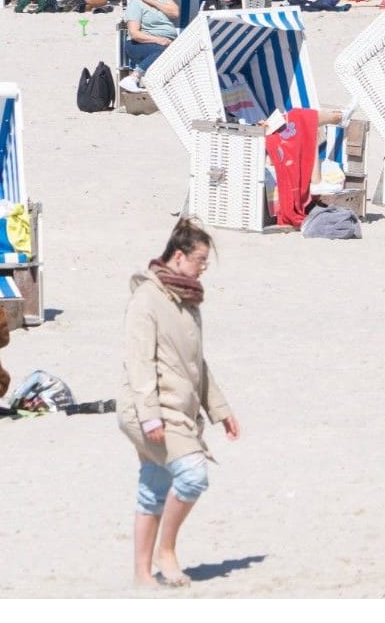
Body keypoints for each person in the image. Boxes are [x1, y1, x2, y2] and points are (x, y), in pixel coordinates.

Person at [117, 218, 240, 589]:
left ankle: (142, 575)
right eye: (200, 260)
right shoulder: (147, 299)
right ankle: (165, 552)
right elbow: (139, 362)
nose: (204, 267)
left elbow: (196, 364)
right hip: (148, 410)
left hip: (179, 409)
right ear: (179, 256)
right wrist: (150, 417)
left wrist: (221, 411)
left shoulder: (188, 302)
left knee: (154, 484)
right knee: (192, 475)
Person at [123, 0, 181, 88]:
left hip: (165, 43)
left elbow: (175, 13)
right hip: (139, 45)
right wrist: (159, 40)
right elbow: (134, 33)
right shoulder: (136, 3)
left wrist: (153, 2)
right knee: (164, 51)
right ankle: (134, 78)